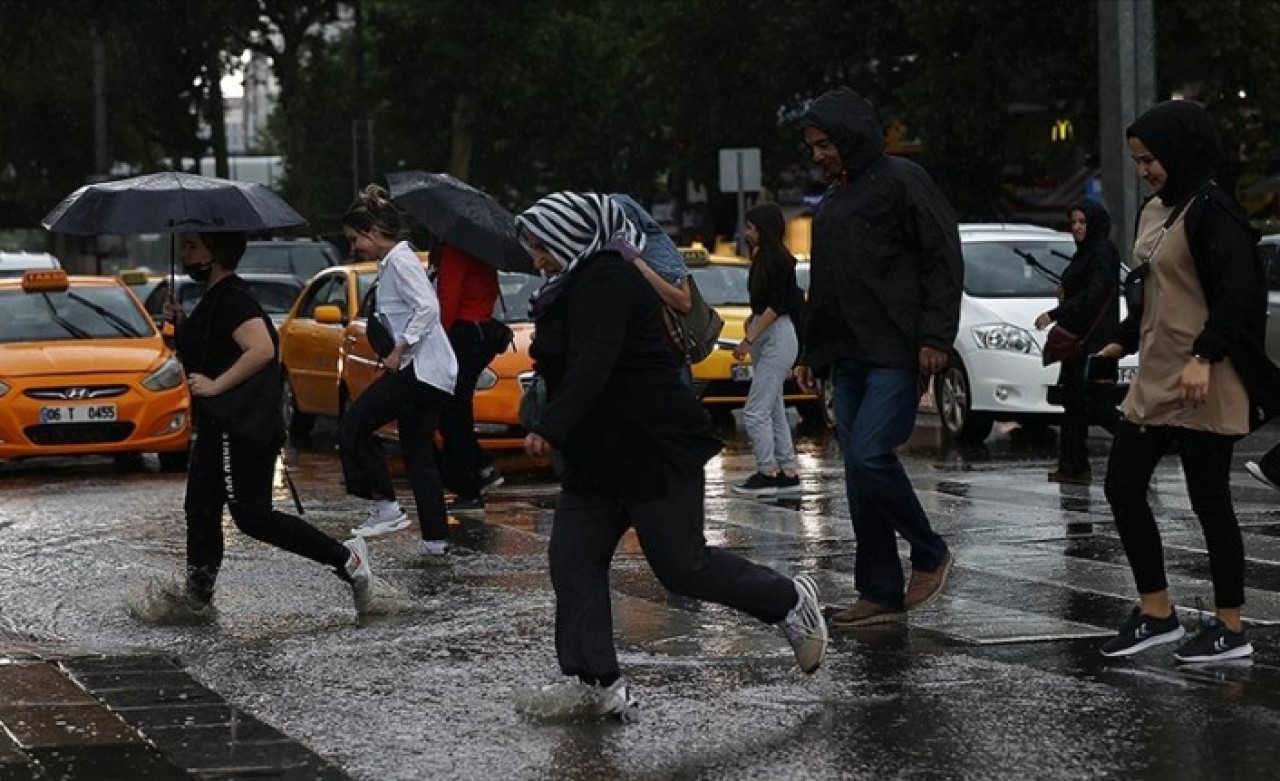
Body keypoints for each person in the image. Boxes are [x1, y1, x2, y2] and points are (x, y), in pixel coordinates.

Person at [512, 192, 827, 720]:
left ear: (571, 236)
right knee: (572, 561)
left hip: (651, 446)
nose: (537, 258)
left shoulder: (609, 278)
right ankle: (597, 682)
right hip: (599, 457)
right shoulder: (566, 286)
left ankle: (789, 602)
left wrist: (552, 426)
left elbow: (596, 362)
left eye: (543, 245)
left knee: (683, 567)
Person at [1094, 100, 1263, 663]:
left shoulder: (1214, 209)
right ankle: (1157, 612)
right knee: (1122, 485)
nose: (1144, 169)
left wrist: (1205, 357)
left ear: (1181, 150)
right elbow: (1151, 289)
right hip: (1157, 374)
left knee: (1209, 499)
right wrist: (1123, 337)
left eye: (1151, 159)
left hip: (1202, 376)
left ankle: (1231, 627)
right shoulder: (1156, 210)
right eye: (1138, 160)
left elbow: (1237, 293)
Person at [793, 87, 962, 627]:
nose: (817, 154)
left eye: (824, 143)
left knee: (869, 455)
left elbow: (942, 256)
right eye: (812, 146)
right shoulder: (835, 201)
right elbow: (827, 285)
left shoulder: (903, 181)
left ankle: (930, 552)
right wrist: (811, 352)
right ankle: (880, 592)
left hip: (895, 350)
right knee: (859, 472)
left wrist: (935, 337)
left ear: (850, 136)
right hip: (847, 356)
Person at [171, 231, 373, 617]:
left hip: (241, 425)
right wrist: (181, 324)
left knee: (251, 515)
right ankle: (198, 596)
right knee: (200, 507)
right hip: (217, 425)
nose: (186, 253)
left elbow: (262, 348)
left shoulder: (232, 298)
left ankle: (347, 559)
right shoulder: (215, 299)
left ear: (215, 253)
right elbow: (209, 352)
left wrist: (215, 386)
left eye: (194, 246)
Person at [340, 185, 458, 556]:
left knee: (354, 424)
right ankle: (435, 540)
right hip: (432, 373)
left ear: (374, 232)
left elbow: (428, 308)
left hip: (419, 371)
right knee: (418, 454)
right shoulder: (395, 262)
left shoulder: (402, 262)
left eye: (355, 239)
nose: (353, 247)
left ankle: (386, 506)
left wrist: (399, 348)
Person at [1033, 201, 1121, 484]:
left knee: (1098, 406)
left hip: (1095, 345)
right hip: (1079, 344)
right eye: (1074, 223)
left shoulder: (1102, 252)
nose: (1077, 228)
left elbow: (1094, 296)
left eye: (1083, 222)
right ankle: (1073, 467)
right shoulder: (1086, 254)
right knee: (1074, 406)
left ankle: (1142, 447)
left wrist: (1055, 313)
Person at [731, 202, 805, 496]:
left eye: (750, 227)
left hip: (776, 334)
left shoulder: (776, 259)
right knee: (773, 406)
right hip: (769, 333)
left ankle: (767, 471)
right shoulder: (763, 256)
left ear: (763, 229)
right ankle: (786, 469)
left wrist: (750, 337)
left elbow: (776, 306)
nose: (746, 232)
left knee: (755, 410)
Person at [430, 240, 505, 515]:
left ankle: (470, 482)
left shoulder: (455, 250)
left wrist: (438, 338)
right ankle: (479, 467)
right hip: (480, 330)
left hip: (462, 333)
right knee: (456, 409)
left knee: (452, 412)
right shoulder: (480, 250)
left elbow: (449, 299)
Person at [610, 193, 695, 386]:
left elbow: (684, 302)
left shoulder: (658, 251)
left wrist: (639, 264)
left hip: (666, 354)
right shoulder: (607, 253)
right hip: (630, 356)